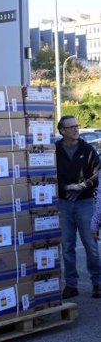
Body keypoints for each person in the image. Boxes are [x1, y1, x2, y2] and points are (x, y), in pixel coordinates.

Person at [55, 115, 101, 299]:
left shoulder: (87, 149)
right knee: (67, 245)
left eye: (77, 126)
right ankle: (71, 285)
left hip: (85, 203)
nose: (76, 129)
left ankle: (97, 283)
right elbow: (51, 173)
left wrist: (83, 186)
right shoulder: (55, 150)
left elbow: (97, 174)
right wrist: (65, 187)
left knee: (91, 245)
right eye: (71, 127)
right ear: (62, 131)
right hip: (64, 203)